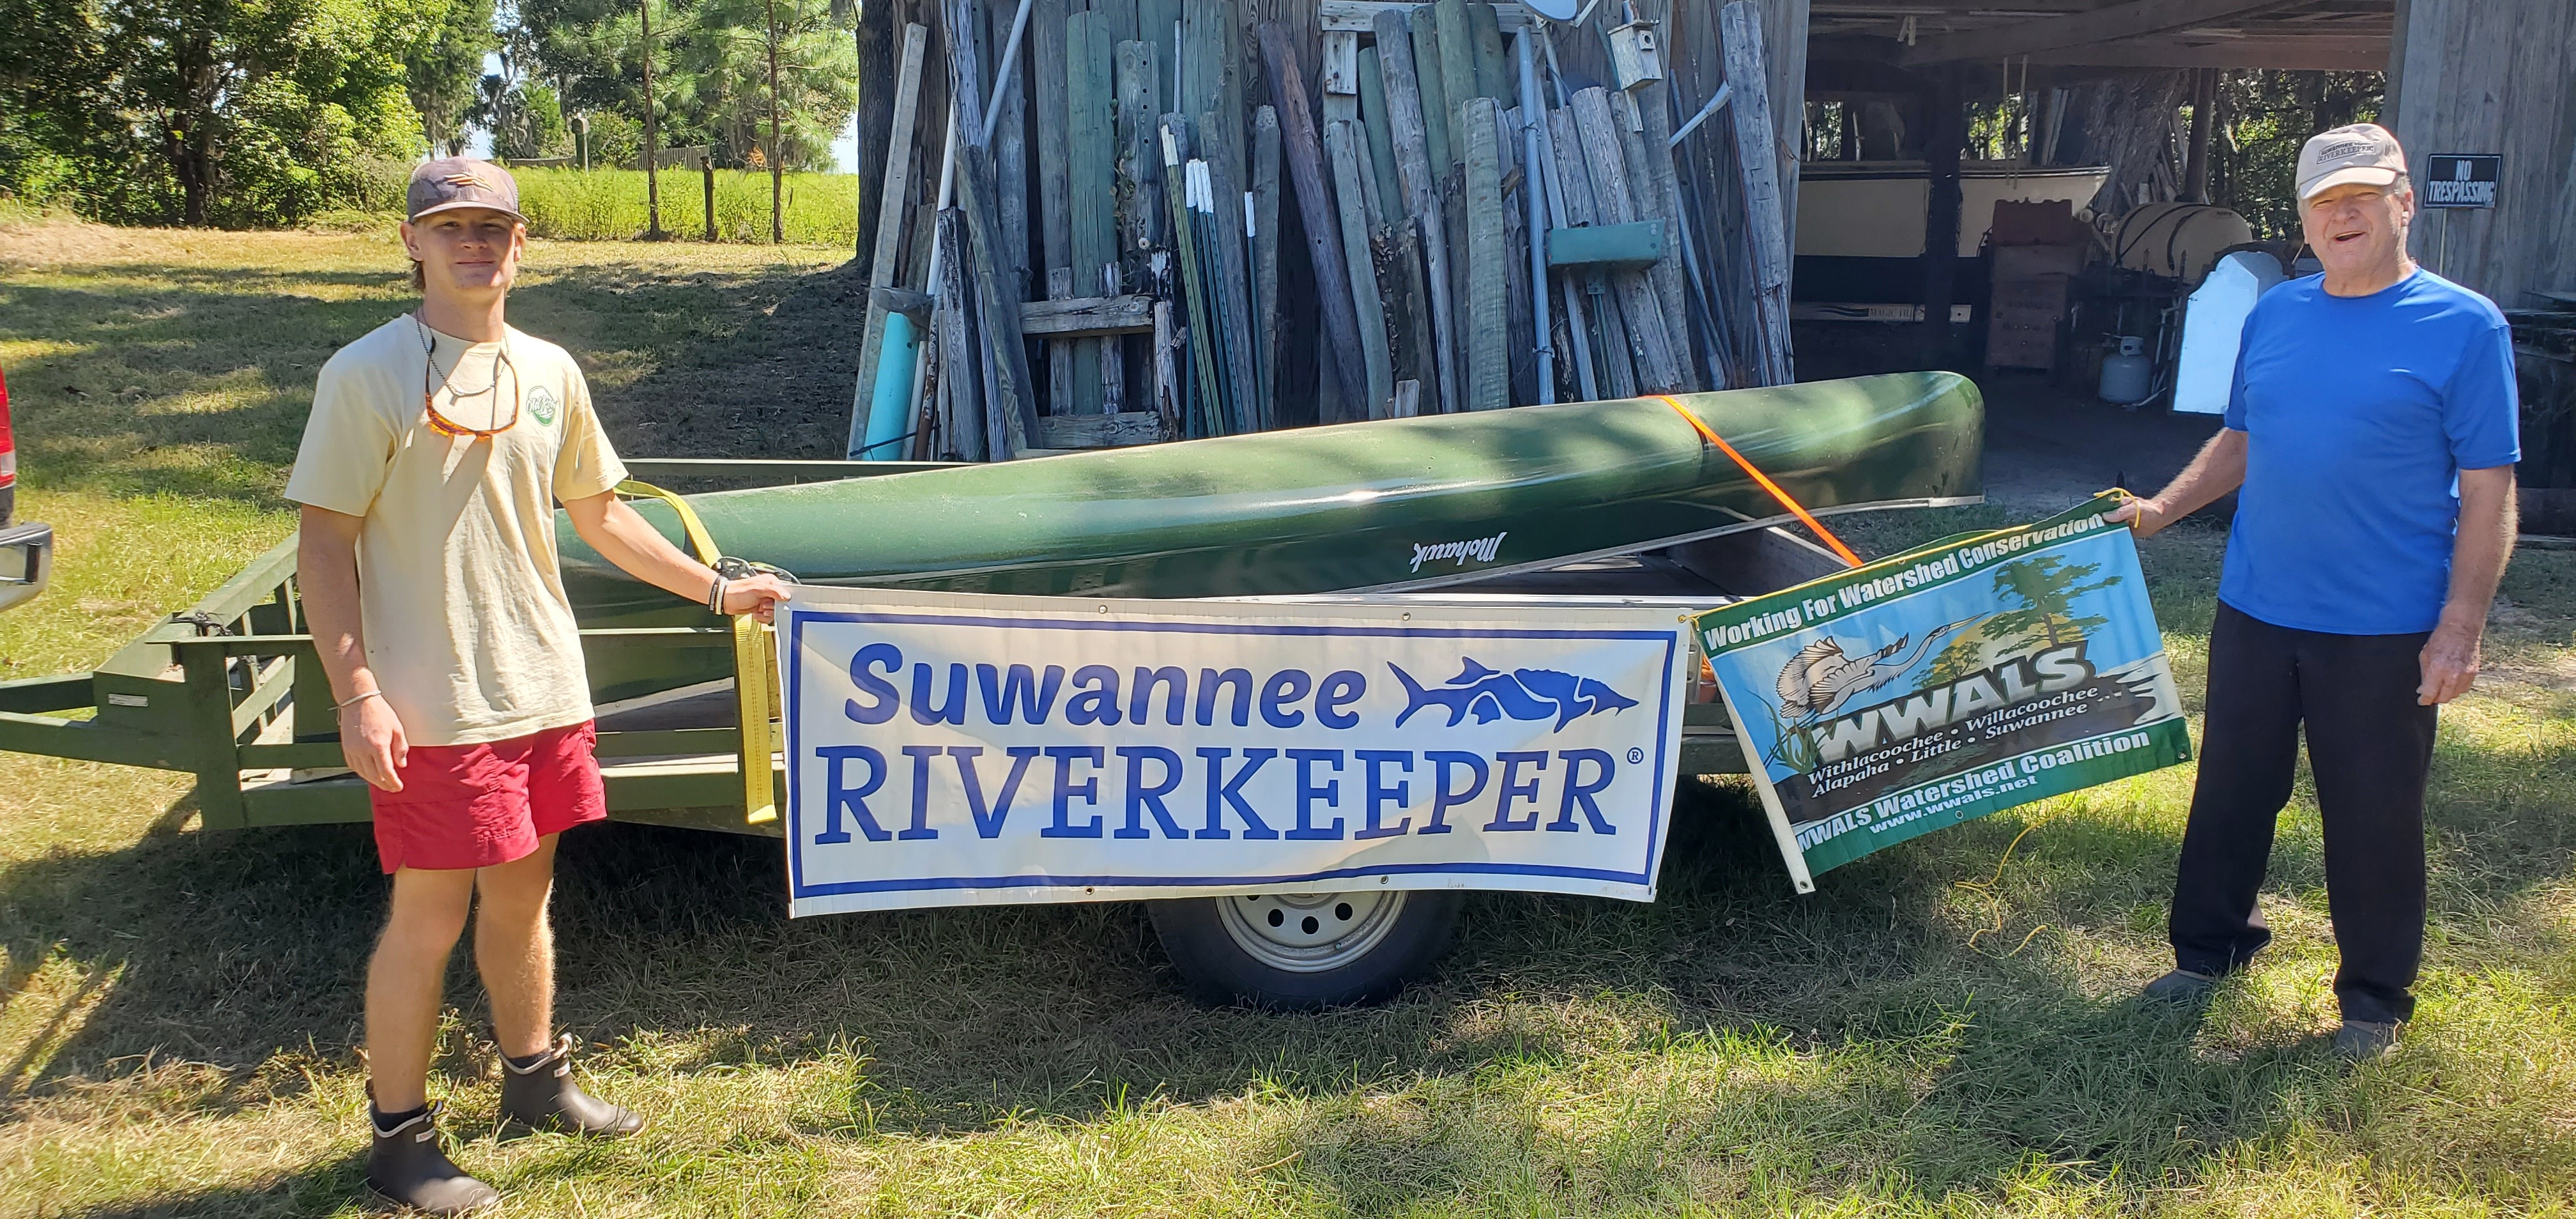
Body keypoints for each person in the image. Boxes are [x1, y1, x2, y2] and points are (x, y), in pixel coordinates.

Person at [288, 159, 792, 1215]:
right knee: (426, 917)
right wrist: (359, 693)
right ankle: (399, 1141)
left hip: (544, 688)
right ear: (412, 242)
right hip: (432, 703)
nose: (477, 244)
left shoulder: (552, 370)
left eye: (495, 227)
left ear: (523, 244)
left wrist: (717, 591)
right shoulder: (366, 374)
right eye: (453, 225)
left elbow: (602, 516)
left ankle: (533, 1081)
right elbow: (324, 547)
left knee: (525, 899)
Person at [2110, 124, 2518, 1061]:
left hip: (2384, 626)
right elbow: (2243, 441)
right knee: (2231, 793)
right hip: (2257, 604)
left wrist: (2460, 629)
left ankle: (2373, 1003)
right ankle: (2206, 954)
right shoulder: (2278, 314)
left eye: (2363, 197)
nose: (2344, 215)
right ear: (2301, 217)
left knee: (2372, 812)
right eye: (2324, 202)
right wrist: (2162, 510)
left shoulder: (2464, 326)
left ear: (2403, 203)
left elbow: (2491, 487)